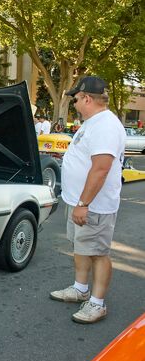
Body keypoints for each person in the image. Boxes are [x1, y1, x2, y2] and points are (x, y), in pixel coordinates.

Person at [49, 76, 126, 324]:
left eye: (76, 99)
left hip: (92, 205)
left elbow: (101, 169)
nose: (75, 104)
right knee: (81, 248)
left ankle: (97, 303)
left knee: (97, 253)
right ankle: (80, 289)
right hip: (79, 202)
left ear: (87, 98)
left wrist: (83, 204)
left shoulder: (105, 125)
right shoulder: (92, 123)